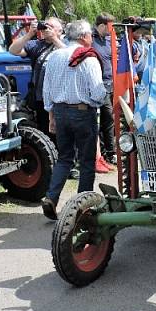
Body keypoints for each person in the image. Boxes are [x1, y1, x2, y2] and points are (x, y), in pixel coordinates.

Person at [40, 20, 108, 220]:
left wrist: (51, 114)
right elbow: (97, 92)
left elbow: (47, 90)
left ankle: (51, 197)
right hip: (82, 112)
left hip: (61, 112)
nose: (91, 38)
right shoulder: (88, 58)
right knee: (86, 162)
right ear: (84, 37)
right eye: (90, 35)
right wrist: (107, 95)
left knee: (64, 158)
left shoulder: (53, 57)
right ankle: (80, 208)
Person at [9, 17, 65, 134]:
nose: (46, 28)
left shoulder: (67, 43)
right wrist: (29, 34)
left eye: (51, 27)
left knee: (63, 134)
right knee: (45, 131)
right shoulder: (36, 45)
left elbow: (71, 55)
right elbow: (13, 50)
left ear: (60, 31)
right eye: (45, 25)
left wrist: (54, 38)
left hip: (61, 98)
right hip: (41, 98)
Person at [92, 13, 117, 165]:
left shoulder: (109, 40)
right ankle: (108, 151)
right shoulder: (90, 41)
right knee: (107, 116)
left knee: (109, 119)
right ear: (102, 25)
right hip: (98, 85)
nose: (112, 29)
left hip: (111, 83)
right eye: (110, 26)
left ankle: (108, 151)